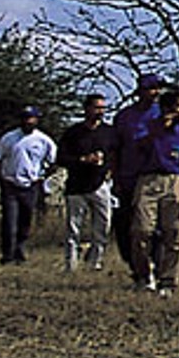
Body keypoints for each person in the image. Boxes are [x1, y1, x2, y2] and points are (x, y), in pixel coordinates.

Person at [130, 88, 179, 293]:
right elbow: (139, 146)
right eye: (178, 107)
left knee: (176, 232)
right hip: (148, 180)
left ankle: (168, 279)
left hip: (174, 181)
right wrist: (159, 128)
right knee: (141, 230)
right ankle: (144, 274)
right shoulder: (147, 126)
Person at [0, 106, 56, 266]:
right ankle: (8, 255)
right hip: (11, 185)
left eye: (32, 118)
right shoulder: (9, 138)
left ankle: (20, 251)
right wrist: (2, 179)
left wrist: (41, 177)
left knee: (25, 221)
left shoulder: (44, 140)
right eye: (26, 118)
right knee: (9, 223)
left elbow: (53, 162)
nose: (28, 121)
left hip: (31, 186)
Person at [57, 93, 115, 272]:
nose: (100, 111)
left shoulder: (109, 132)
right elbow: (61, 158)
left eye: (102, 108)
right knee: (74, 228)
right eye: (97, 107)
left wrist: (110, 170)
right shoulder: (73, 132)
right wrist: (82, 159)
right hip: (76, 186)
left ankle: (95, 262)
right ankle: (70, 265)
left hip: (100, 185)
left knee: (103, 226)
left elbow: (116, 155)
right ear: (87, 109)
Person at [110, 73, 165, 259]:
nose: (155, 92)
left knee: (157, 226)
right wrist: (115, 177)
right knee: (131, 224)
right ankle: (135, 261)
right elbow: (115, 149)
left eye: (157, 88)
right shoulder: (125, 117)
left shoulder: (163, 114)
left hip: (155, 176)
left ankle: (156, 261)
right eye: (151, 88)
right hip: (130, 176)